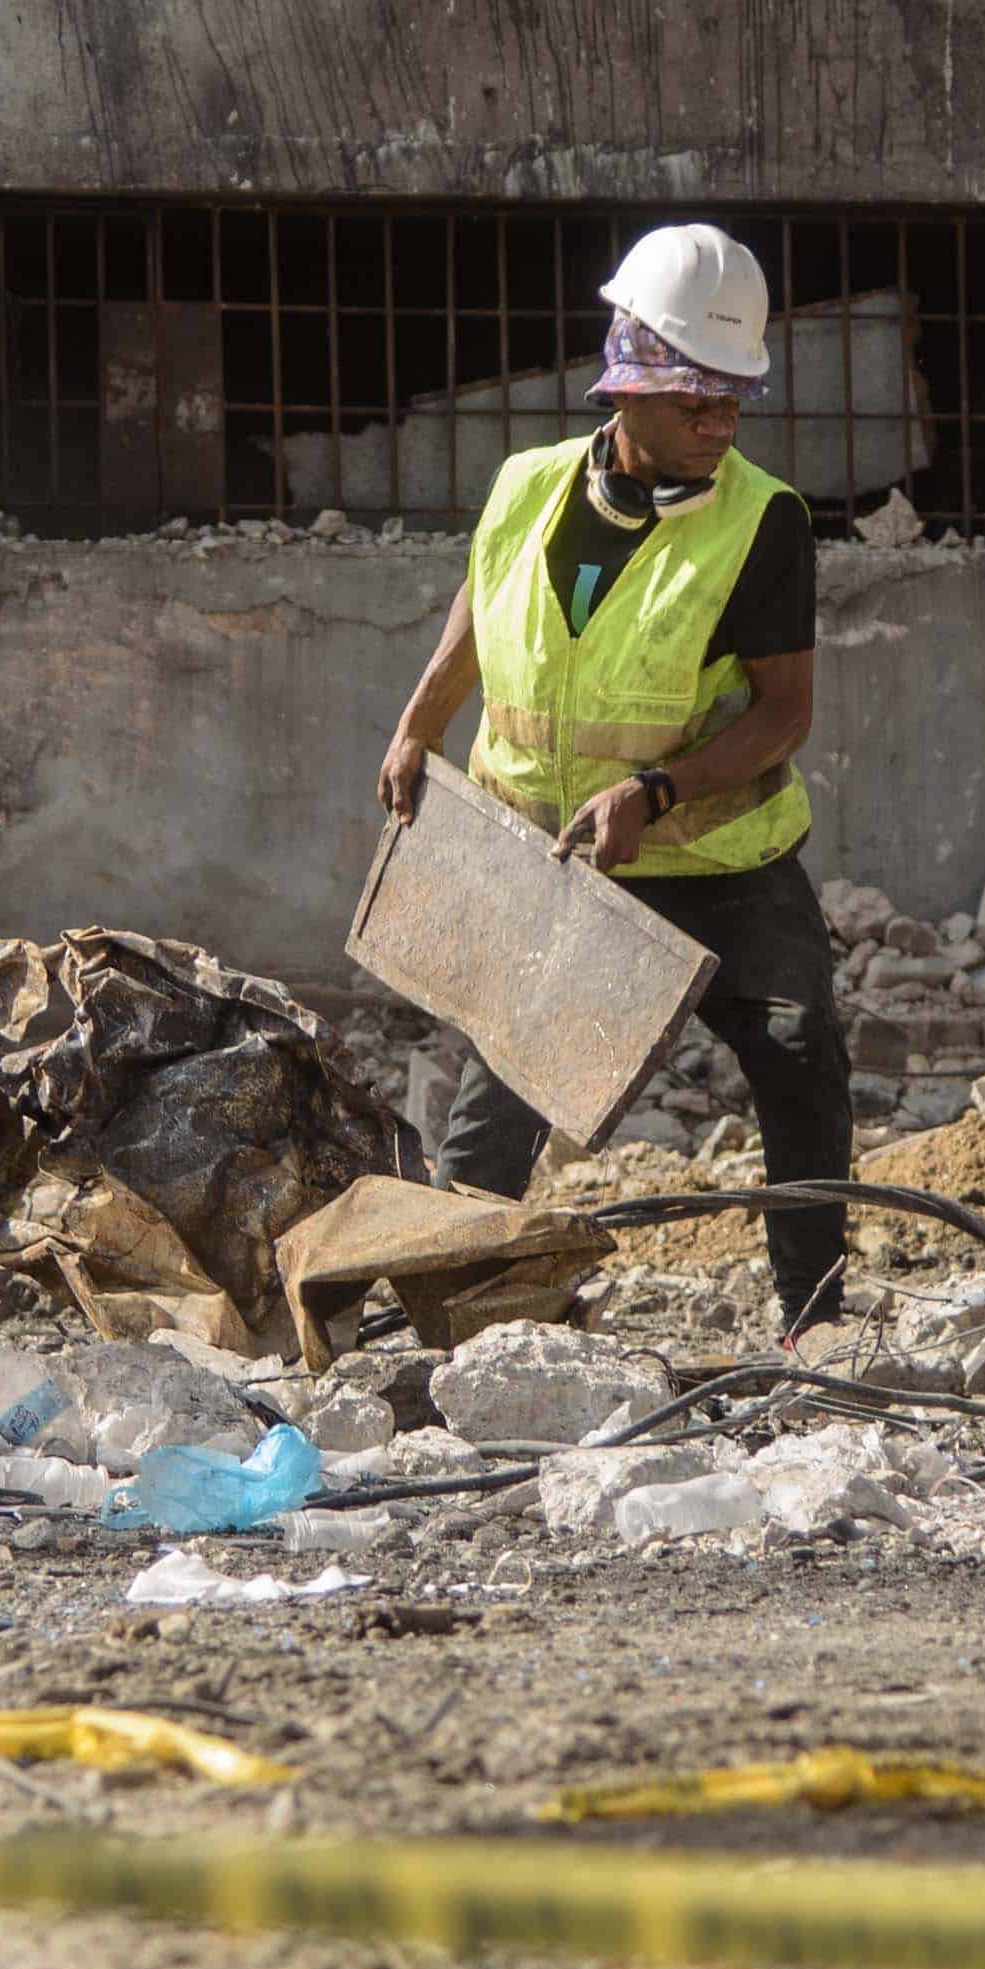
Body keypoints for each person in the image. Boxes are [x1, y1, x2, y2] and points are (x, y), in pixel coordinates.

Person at [375, 224, 858, 1329]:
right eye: (696, 400)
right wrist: (416, 724)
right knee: (502, 1089)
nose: (720, 423)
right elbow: (483, 607)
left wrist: (657, 793)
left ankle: (813, 1314)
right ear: (627, 382)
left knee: (797, 1050)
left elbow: (785, 714)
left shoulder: (762, 524)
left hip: (716, 855)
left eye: (735, 399)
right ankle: (447, 1313)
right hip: (557, 854)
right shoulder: (526, 488)